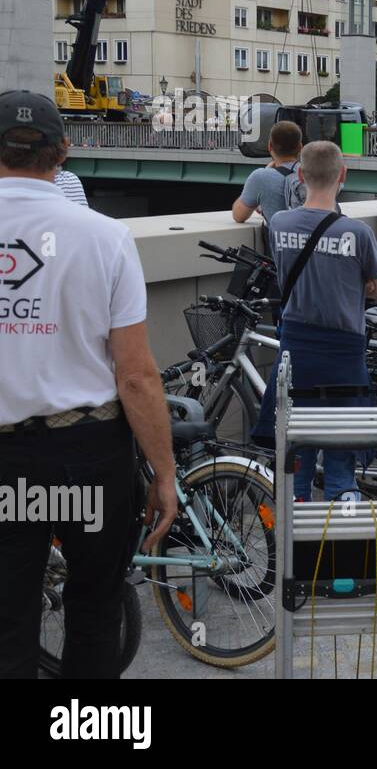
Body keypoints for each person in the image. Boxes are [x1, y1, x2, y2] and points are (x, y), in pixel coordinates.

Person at [0, 91, 176, 678]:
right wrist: (164, 473)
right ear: (64, 153)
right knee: (97, 609)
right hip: (89, 454)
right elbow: (135, 375)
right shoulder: (104, 237)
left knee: (8, 620)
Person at [255, 141, 377, 501]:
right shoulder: (357, 233)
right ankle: (338, 544)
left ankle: (295, 548)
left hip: (297, 352)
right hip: (345, 358)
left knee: (296, 456)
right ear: (342, 175)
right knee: (341, 462)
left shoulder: (279, 223)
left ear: (300, 175)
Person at [232, 120, 302, 235]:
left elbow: (238, 215)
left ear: (270, 146)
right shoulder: (312, 173)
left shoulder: (261, 177)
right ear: (300, 147)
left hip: (280, 250)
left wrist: (266, 172)